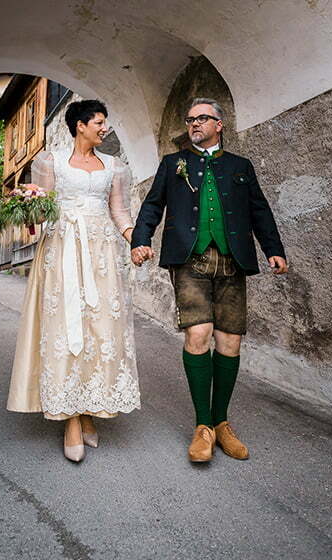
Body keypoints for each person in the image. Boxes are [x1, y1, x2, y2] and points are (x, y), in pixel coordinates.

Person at [131, 98, 287, 463]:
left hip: (233, 260)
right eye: (190, 120)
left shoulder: (240, 166)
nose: (194, 124)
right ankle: (202, 425)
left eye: (202, 118)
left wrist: (273, 248)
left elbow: (259, 209)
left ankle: (221, 422)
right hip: (190, 259)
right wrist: (140, 240)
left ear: (220, 124)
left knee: (230, 341)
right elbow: (153, 204)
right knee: (198, 334)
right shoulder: (173, 164)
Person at [7, 100, 140, 462]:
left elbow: (120, 212)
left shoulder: (115, 167)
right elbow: (44, 208)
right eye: (99, 122)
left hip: (102, 257)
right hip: (62, 251)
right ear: (80, 125)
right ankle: (69, 419)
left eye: (105, 122)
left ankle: (88, 410)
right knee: (64, 330)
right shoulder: (50, 162)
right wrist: (27, 208)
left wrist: (136, 240)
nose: (104, 128)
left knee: (99, 330)